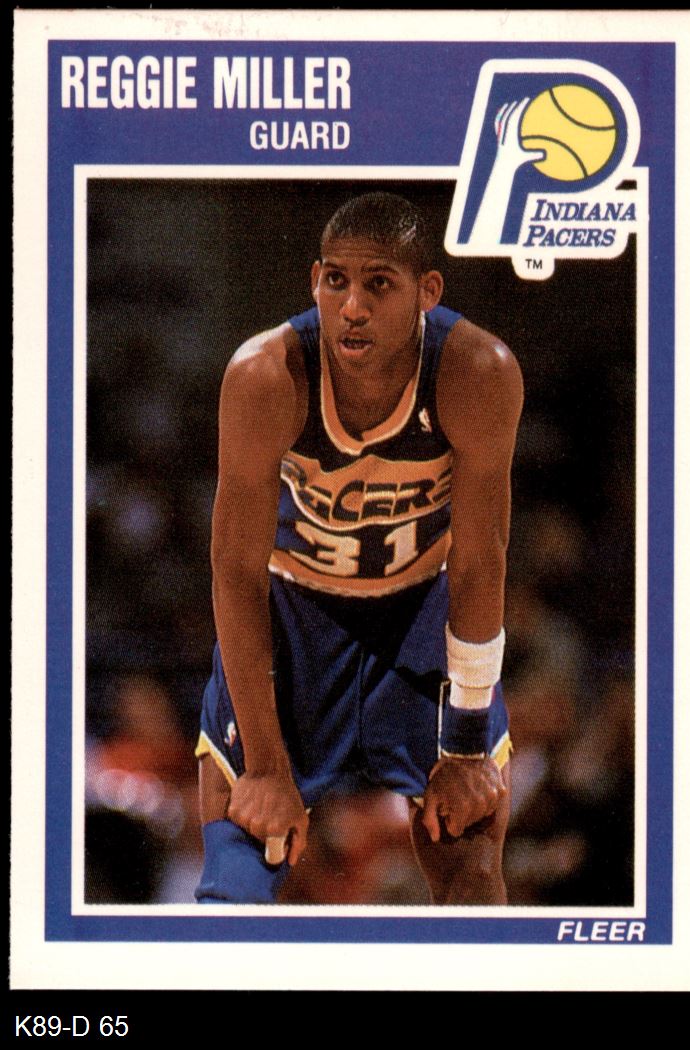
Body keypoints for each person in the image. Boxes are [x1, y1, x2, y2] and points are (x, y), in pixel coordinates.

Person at [194, 192, 523, 905]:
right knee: (235, 876)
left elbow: (479, 561)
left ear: (427, 292)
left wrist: (467, 746)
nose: (351, 307)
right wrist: (264, 765)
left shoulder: (476, 371)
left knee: (472, 874)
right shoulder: (264, 376)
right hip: (294, 615)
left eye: (378, 284)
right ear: (314, 280)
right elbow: (235, 571)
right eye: (336, 281)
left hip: (420, 614)